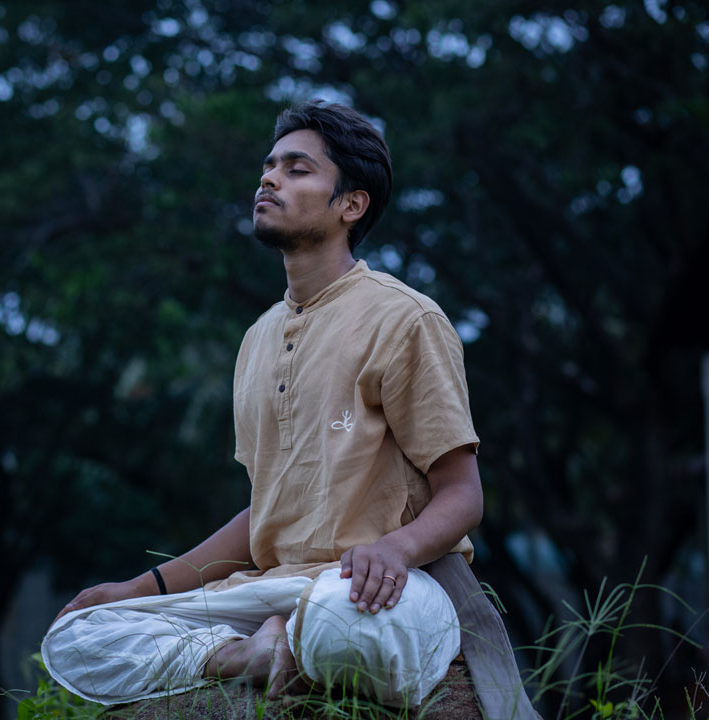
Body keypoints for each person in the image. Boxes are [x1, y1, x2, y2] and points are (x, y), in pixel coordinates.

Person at [42, 101, 538, 718]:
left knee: (342, 627)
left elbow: (463, 494)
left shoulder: (406, 319)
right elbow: (265, 512)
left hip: (377, 590)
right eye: (268, 167)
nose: (269, 179)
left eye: (297, 169)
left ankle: (288, 641)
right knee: (78, 636)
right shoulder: (257, 338)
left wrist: (395, 550)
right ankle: (247, 655)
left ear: (350, 205)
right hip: (268, 590)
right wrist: (139, 589)